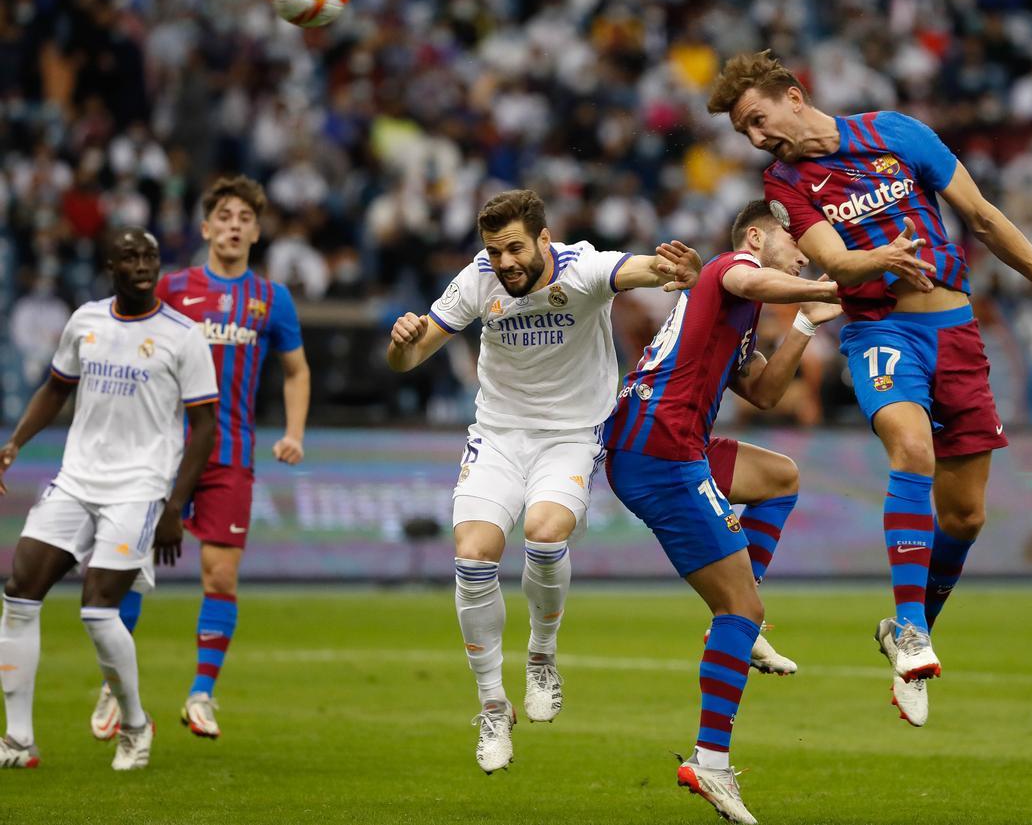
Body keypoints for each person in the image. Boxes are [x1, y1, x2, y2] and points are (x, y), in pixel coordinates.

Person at [707, 50, 1032, 728]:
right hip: (880, 331)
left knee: (965, 518)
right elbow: (834, 261)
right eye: (743, 130)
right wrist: (879, 259)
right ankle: (916, 634)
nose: (755, 138)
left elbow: (980, 215)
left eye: (757, 119)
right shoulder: (785, 181)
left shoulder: (896, 132)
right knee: (912, 449)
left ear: (794, 96)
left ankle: (905, 627)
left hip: (956, 331)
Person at [386, 188, 700, 775]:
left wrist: (674, 267)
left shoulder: (582, 270)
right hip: (500, 434)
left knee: (544, 534)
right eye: (493, 251)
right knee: (474, 554)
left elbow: (637, 268)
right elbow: (410, 357)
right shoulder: (477, 280)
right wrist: (401, 346)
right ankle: (491, 706)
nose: (503, 262)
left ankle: (541, 657)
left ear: (543, 241)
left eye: (513, 249)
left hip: (572, 433)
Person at [604, 200, 847, 824]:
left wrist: (804, 323)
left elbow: (765, 394)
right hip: (658, 449)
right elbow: (748, 276)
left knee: (781, 478)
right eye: (797, 241)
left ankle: (742, 628)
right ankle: (710, 761)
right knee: (739, 606)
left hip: (672, 444)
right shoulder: (729, 270)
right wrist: (826, 282)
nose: (805, 250)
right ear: (758, 236)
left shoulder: (737, 313)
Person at [90, 176, 310, 741]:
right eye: (225, 215)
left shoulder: (271, 299)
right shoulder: (171, 287)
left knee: (220, 576)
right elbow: (125, 346)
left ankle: (202, 695)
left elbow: (296, 370)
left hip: (229, 455)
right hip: (159, 453)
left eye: (245, 218)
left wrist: (294, 432)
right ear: (207, 227)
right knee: (128, 575)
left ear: (256, 233)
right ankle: (115, 688)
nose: (235, 224)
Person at [0, 227, 218, 770]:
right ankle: (19, 740)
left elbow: (204, 426)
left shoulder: (183, 335)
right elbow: (55, 388)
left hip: (139, 487)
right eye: (129, 256)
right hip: (76, 479)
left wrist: (174, 506)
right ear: (109, 266)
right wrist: (14, 444)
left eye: (149, 256)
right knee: (19, 592)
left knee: (97, 611)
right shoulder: (86, 321)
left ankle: (135, 724)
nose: (142, 264)